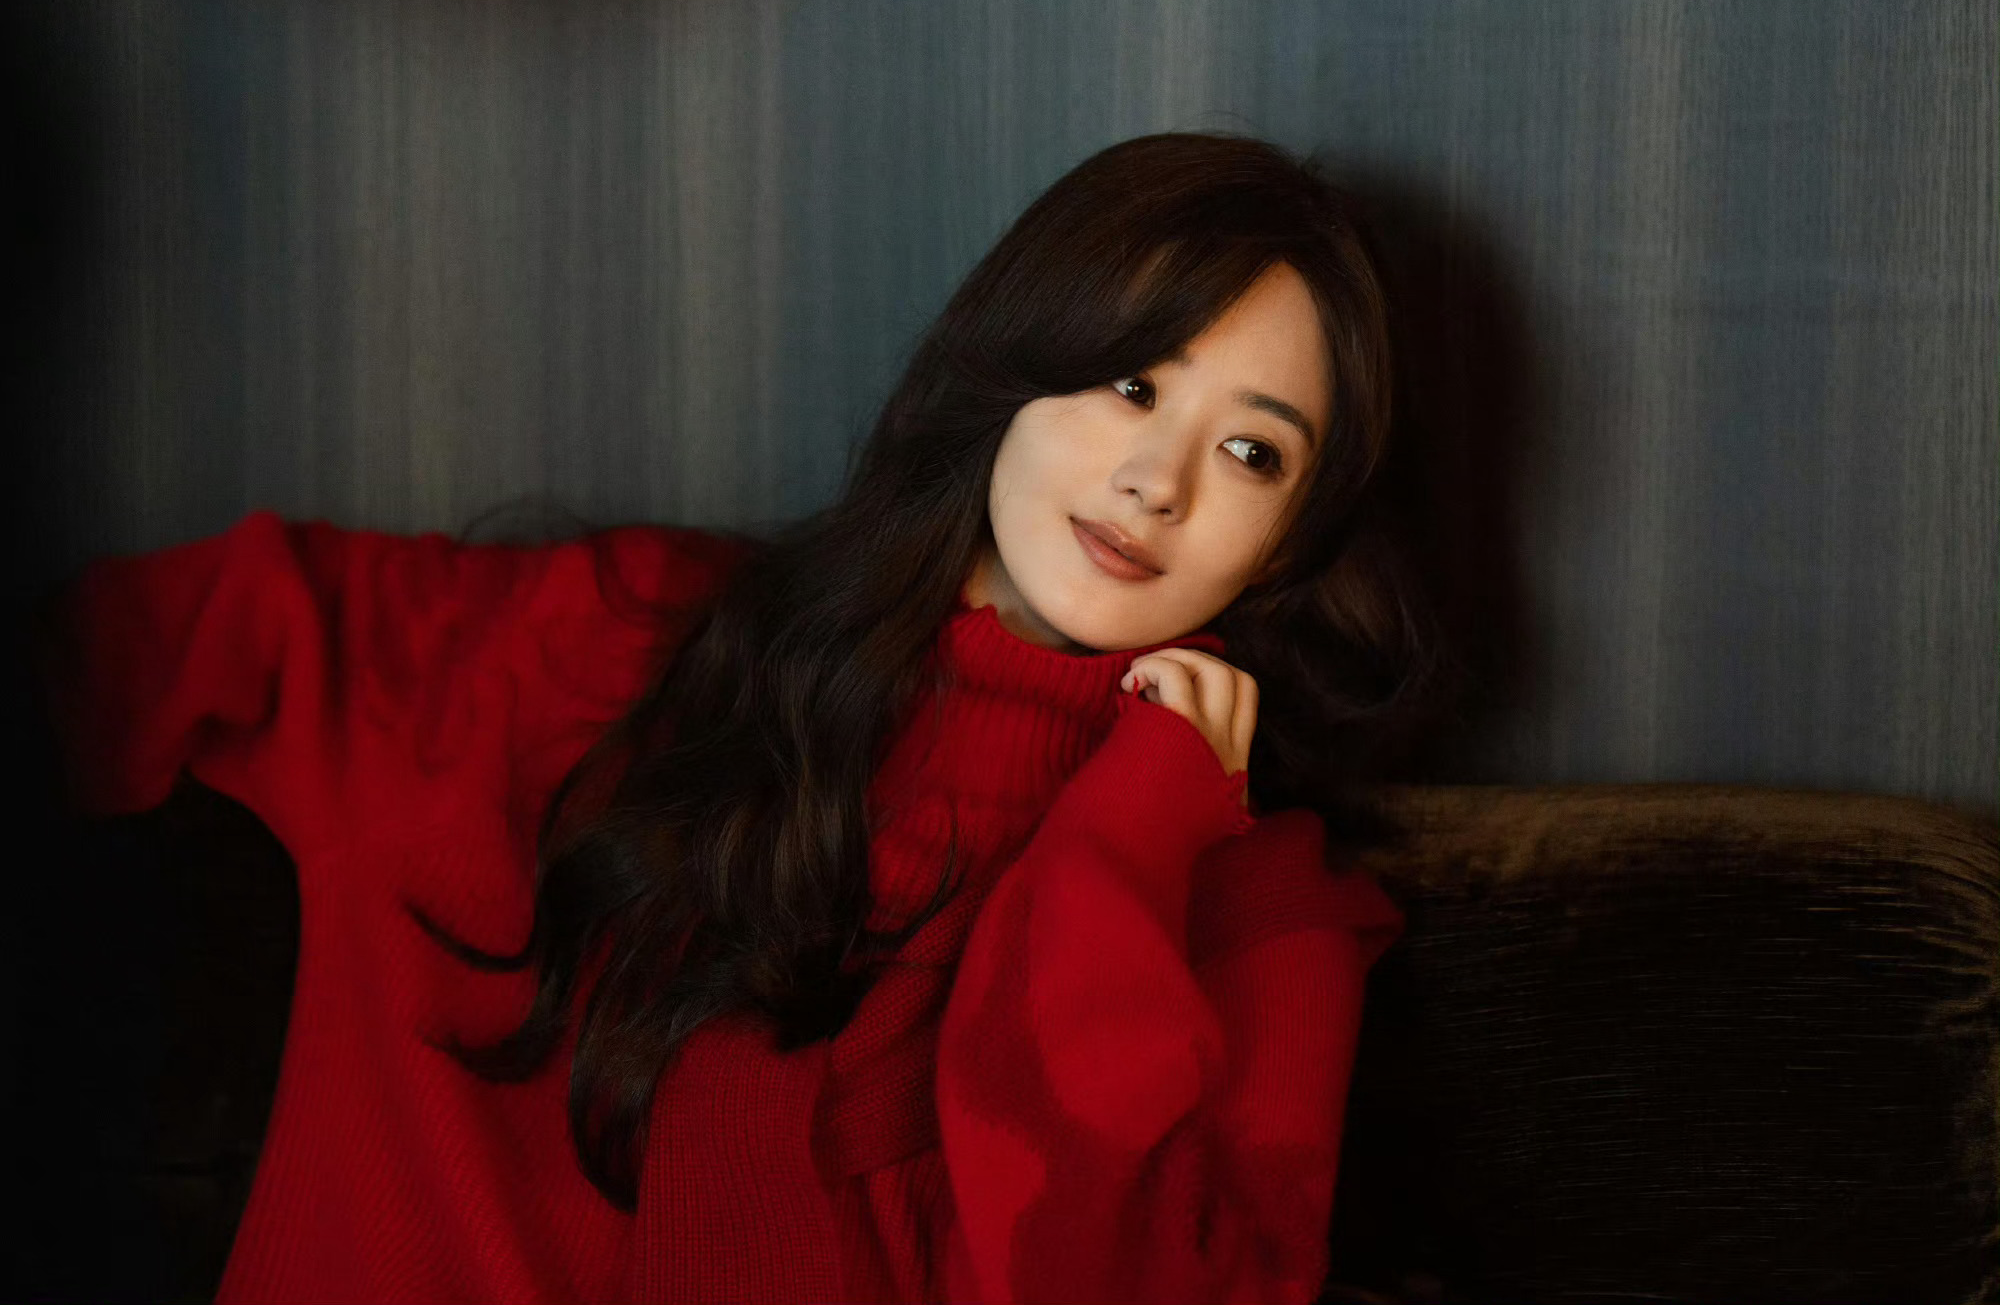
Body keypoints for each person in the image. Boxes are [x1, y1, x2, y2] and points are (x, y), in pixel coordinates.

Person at [30, 131, 1445, 1304]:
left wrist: (1126, 854)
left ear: (1292, 540)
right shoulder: (594, 645)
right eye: (1133, 383)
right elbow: (152, 645)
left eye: (1252, 451)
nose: (1157, 482)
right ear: (1014, 364)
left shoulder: (1264, 912)